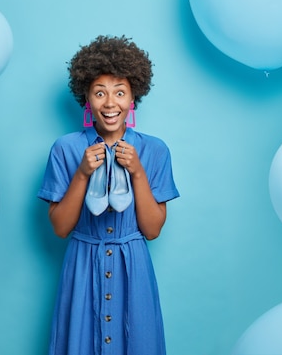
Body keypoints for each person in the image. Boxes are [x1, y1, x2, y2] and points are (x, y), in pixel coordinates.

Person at [37, 35, 180, 355]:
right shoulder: (66, 149)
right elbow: (60, 228)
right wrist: (83, 174)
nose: (110, 103)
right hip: (83, 264)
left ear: (133, 98)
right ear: (86, 96)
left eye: (120, 92)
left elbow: (153, 230)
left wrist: (138, 173)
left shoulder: (154, 150)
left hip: (134, 267)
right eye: (100, 92)